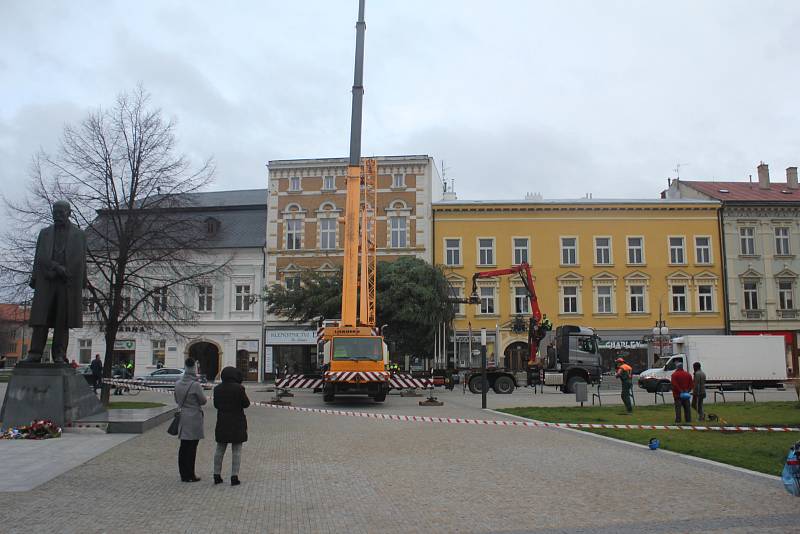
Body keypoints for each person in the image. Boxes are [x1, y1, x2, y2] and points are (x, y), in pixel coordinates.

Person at [23, 200, 87, 364]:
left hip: (67, 282)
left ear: (69, 213)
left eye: (61, 212)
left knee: (62, 319)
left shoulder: (79, 234)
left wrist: (74, 276)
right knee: (41, 319)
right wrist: (36, 276)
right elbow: (39, 257)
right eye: (55, 212)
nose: (57, 215)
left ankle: (59, 354)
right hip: (46, 280)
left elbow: (80, 260)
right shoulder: (44, 233)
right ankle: (35, 353)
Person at [213, 367, 250, 486]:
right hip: (237, 422)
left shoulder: (217, 389)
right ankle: (234, 476)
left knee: (220, 449)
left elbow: (216, 405)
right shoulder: (239, 388)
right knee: (237, 450)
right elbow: (246, 404)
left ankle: (216, 475)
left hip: (222, 421)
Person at [174, 357, 207, 482]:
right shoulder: (195, 385)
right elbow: (203, 401)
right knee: (192, 447)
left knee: (183, 447)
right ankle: (190, 474)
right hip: (194, 418)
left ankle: (183, 473)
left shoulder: (178, 383)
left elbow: (177, 400)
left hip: (183, 416)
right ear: (194, 369)